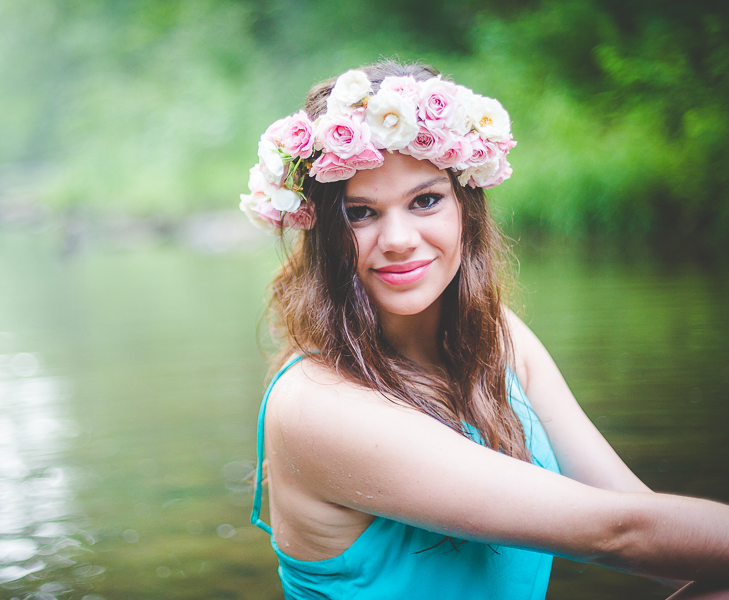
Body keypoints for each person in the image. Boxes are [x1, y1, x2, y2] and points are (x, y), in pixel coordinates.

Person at [238, 60, 729, 600]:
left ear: (466, 208)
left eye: (426, 200)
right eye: (360, 213)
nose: (399, 239)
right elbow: (618, 533)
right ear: (322, 231)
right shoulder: (317, 406)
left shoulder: (499, 337)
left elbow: (641, 520)